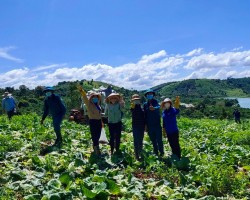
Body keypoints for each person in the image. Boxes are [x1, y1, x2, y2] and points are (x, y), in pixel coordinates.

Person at [78, 85, 103, 155]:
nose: (95, 98)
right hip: (93, 121)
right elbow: (85, 98)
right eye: (94, 97)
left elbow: (99, 114)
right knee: (94, 135)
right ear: (91, 98)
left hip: (99, 121)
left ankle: (96, 146)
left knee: (98, 135)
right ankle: (96, 149)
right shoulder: (89, 104)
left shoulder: (98, 105)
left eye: (96, 97)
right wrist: (82, 91)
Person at [143, 89, 164, 156]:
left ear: (153, 95)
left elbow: (158, 106)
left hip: (157, 124)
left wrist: (154, 108)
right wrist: (145, 125)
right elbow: (145, 115)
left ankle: (162, 152)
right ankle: (156, 152)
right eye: (148, 94)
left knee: (159, 140)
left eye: (151, 94)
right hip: (149, 125)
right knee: (153, 140)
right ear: (146, 96)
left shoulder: (156, 102)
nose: (150, 95)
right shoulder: (145, 104)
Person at [130, 94, 145, 160]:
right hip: (135, 126)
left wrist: (145, 126)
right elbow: (132, 110)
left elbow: (144, 116)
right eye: (134, 100)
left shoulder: (141, 108)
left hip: (141, 126)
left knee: (141, 140)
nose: (136, 101)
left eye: (137, 100)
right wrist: (133, 104)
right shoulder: (133, 107)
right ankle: (136, 155)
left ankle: (140, 153)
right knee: (136, 140)